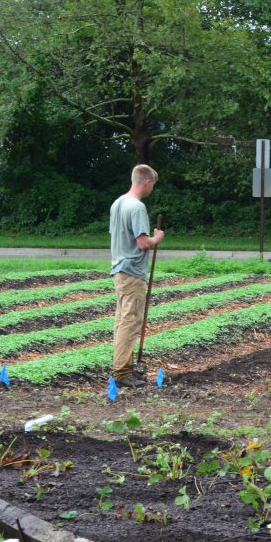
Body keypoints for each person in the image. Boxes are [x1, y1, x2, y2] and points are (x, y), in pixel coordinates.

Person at [109, 164, 164, 388]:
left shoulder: (118, 203)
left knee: (123, 320)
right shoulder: (137, 207)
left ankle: (126, 367)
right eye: (153, 185)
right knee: (130, 321)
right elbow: (142, 244)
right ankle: (121, 373)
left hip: (119, 269)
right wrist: (157, 238)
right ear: (147, 182)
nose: (152, 189)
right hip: (132, 272)